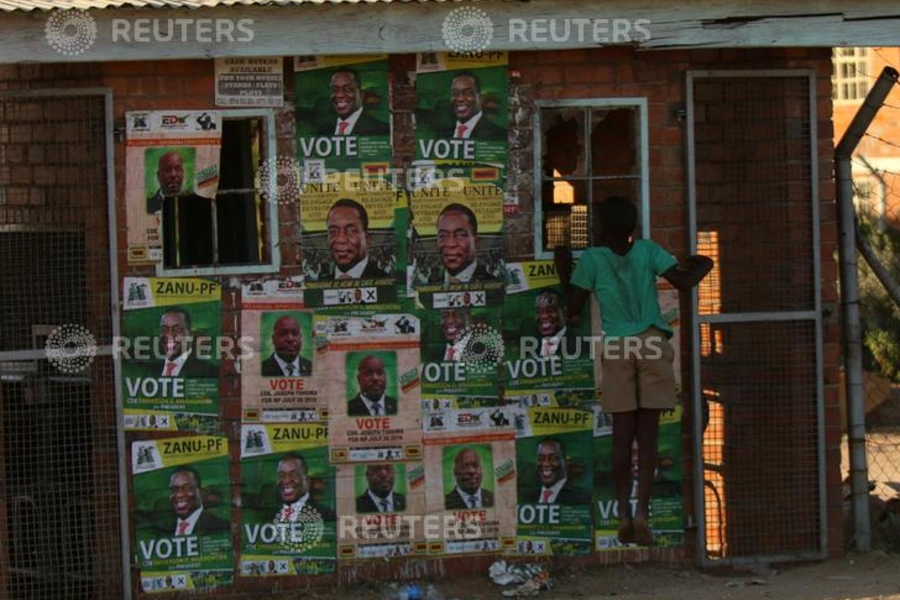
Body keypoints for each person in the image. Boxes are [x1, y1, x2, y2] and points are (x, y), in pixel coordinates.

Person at [555, 195, 713, 547]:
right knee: (650, 436)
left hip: (616, 346)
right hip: (653, 343)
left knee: (622, 437)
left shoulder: (593, 259)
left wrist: (563, 270)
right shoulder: (647, 250)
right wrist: (705, 263)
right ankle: (643, 512)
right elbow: (684, 282)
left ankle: (623, 515)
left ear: (601, 227)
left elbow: (574, 305)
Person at [145, 150, 213, 267]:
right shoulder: (149, 204)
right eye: (167, 170)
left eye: (178, 169)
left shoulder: (196, 201)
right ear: (158, 176)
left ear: (183, 173)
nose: (173, 175)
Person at [326, 198, 389, 279]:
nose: (341, 239)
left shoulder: (385, 280)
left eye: (351, 231)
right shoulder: (318, 284)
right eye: (333, 232)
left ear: (367, 238)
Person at [436, 203, 497, 284]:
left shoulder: (493, 284)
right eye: (443, 235)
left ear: (476, 242)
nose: (450, 244)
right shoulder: (426, 284)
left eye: (461, 235)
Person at [148, 308, 218, 378]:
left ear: (190, 335)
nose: (169, 335)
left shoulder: (209, 372)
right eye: (164, 330)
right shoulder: (150, 371)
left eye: (177, 330)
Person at [321, 68, 389, 137]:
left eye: (348, 89)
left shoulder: (381, 130)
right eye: (334, 89)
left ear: (361, 94)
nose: (340, 95)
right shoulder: (324, 130)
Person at [168, 467, 229, 536]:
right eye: (174, 489)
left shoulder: (222, 527)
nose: (179, 494)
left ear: (200, 491)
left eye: (187, 488)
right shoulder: (160, 530)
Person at [274, 453, 335, 522]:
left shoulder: (326, 515)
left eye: (294, 475)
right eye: (281, 475)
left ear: (307, 481)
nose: (286, 481)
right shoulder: (268, 515)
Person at [446, 71, 506, 141]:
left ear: (480, 99)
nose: (460, 98)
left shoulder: (500, 135)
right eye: (455, 93)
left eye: (468, 93)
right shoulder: (442, 134)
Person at [530, 438, 590, 505]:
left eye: (553, 458)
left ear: (565, 462)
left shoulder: (582, 498)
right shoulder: (528, 497)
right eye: (540, 459)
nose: (545, 464)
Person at [533, 289, 581, 358]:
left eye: (550, 310)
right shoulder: (531, 346)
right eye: (539, 311)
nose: (544, 316)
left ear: (564, 311)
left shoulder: (579, 347)